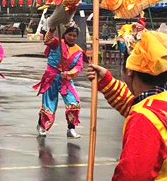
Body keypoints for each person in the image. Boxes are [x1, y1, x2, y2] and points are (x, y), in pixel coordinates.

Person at [87, 29, 167, 180]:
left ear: (129, 70)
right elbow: (134, 104)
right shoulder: (158, 103)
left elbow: (132, 175)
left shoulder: (145, 118)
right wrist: (106, 81)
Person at [34, 25, 83, 138]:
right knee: (49, 105)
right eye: (69, 35)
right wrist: (52, 28)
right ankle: (41, 126)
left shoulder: (79, 51)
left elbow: (78, 66)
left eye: (74, 36)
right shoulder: (56, 43)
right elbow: (47, 40)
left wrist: (68, 74)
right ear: (64, 34)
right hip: (51, 77)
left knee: (74, 103)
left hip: (65, 79)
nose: (71, 37)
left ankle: (71, 129)